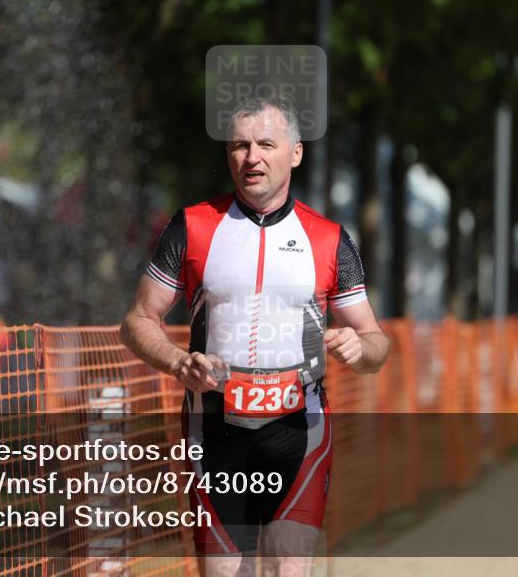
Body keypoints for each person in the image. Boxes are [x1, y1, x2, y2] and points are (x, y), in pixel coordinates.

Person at [120, 96, 390, 576]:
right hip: (213, 427)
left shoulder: (329, 238)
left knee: (288, 564)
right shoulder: (192, 226)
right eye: (240, 146)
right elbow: (138, 320)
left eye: (266, 144)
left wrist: (360, 348)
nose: (252, 157)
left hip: (298, 428)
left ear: (296, 153)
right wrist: (178, 362)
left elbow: (376, 341)